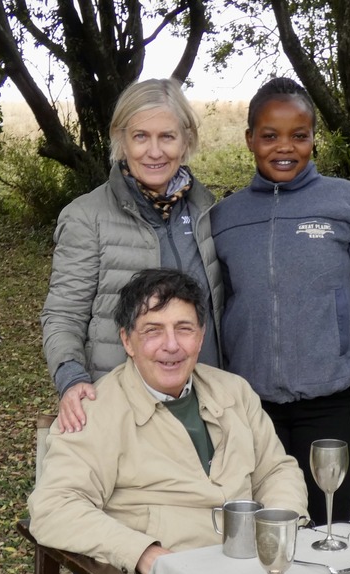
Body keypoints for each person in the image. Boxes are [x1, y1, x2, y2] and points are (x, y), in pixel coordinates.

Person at [210, 77, 350, 524]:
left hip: (333, 406)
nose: (285, 147)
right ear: (249, 139)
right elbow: (212, 314)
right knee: (259, 533)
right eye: (270, 135)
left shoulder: (349, 204)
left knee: (325, 533)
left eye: (299, 135)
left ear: (314, 138)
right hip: (250, 409)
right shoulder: (224, 218)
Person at [29, 268, 307, 574]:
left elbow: (276, 470)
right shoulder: (96, 411)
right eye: (153, 331)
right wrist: (144, 554)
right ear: (127, 340)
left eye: (184, 328)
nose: (171, 345)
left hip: (250, 571)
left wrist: (279, 530)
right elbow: (53, 506)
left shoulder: (234, 392)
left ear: (200, 337)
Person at [40, 78, 224, 434]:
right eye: (141, 136)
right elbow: (62, 315)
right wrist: (71, 378)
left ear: (186, 141)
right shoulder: (86, 217)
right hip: (124, 409)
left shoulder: (208, 210)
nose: (154, 152)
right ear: (121, 140)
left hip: (205, 403)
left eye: (167, 137)